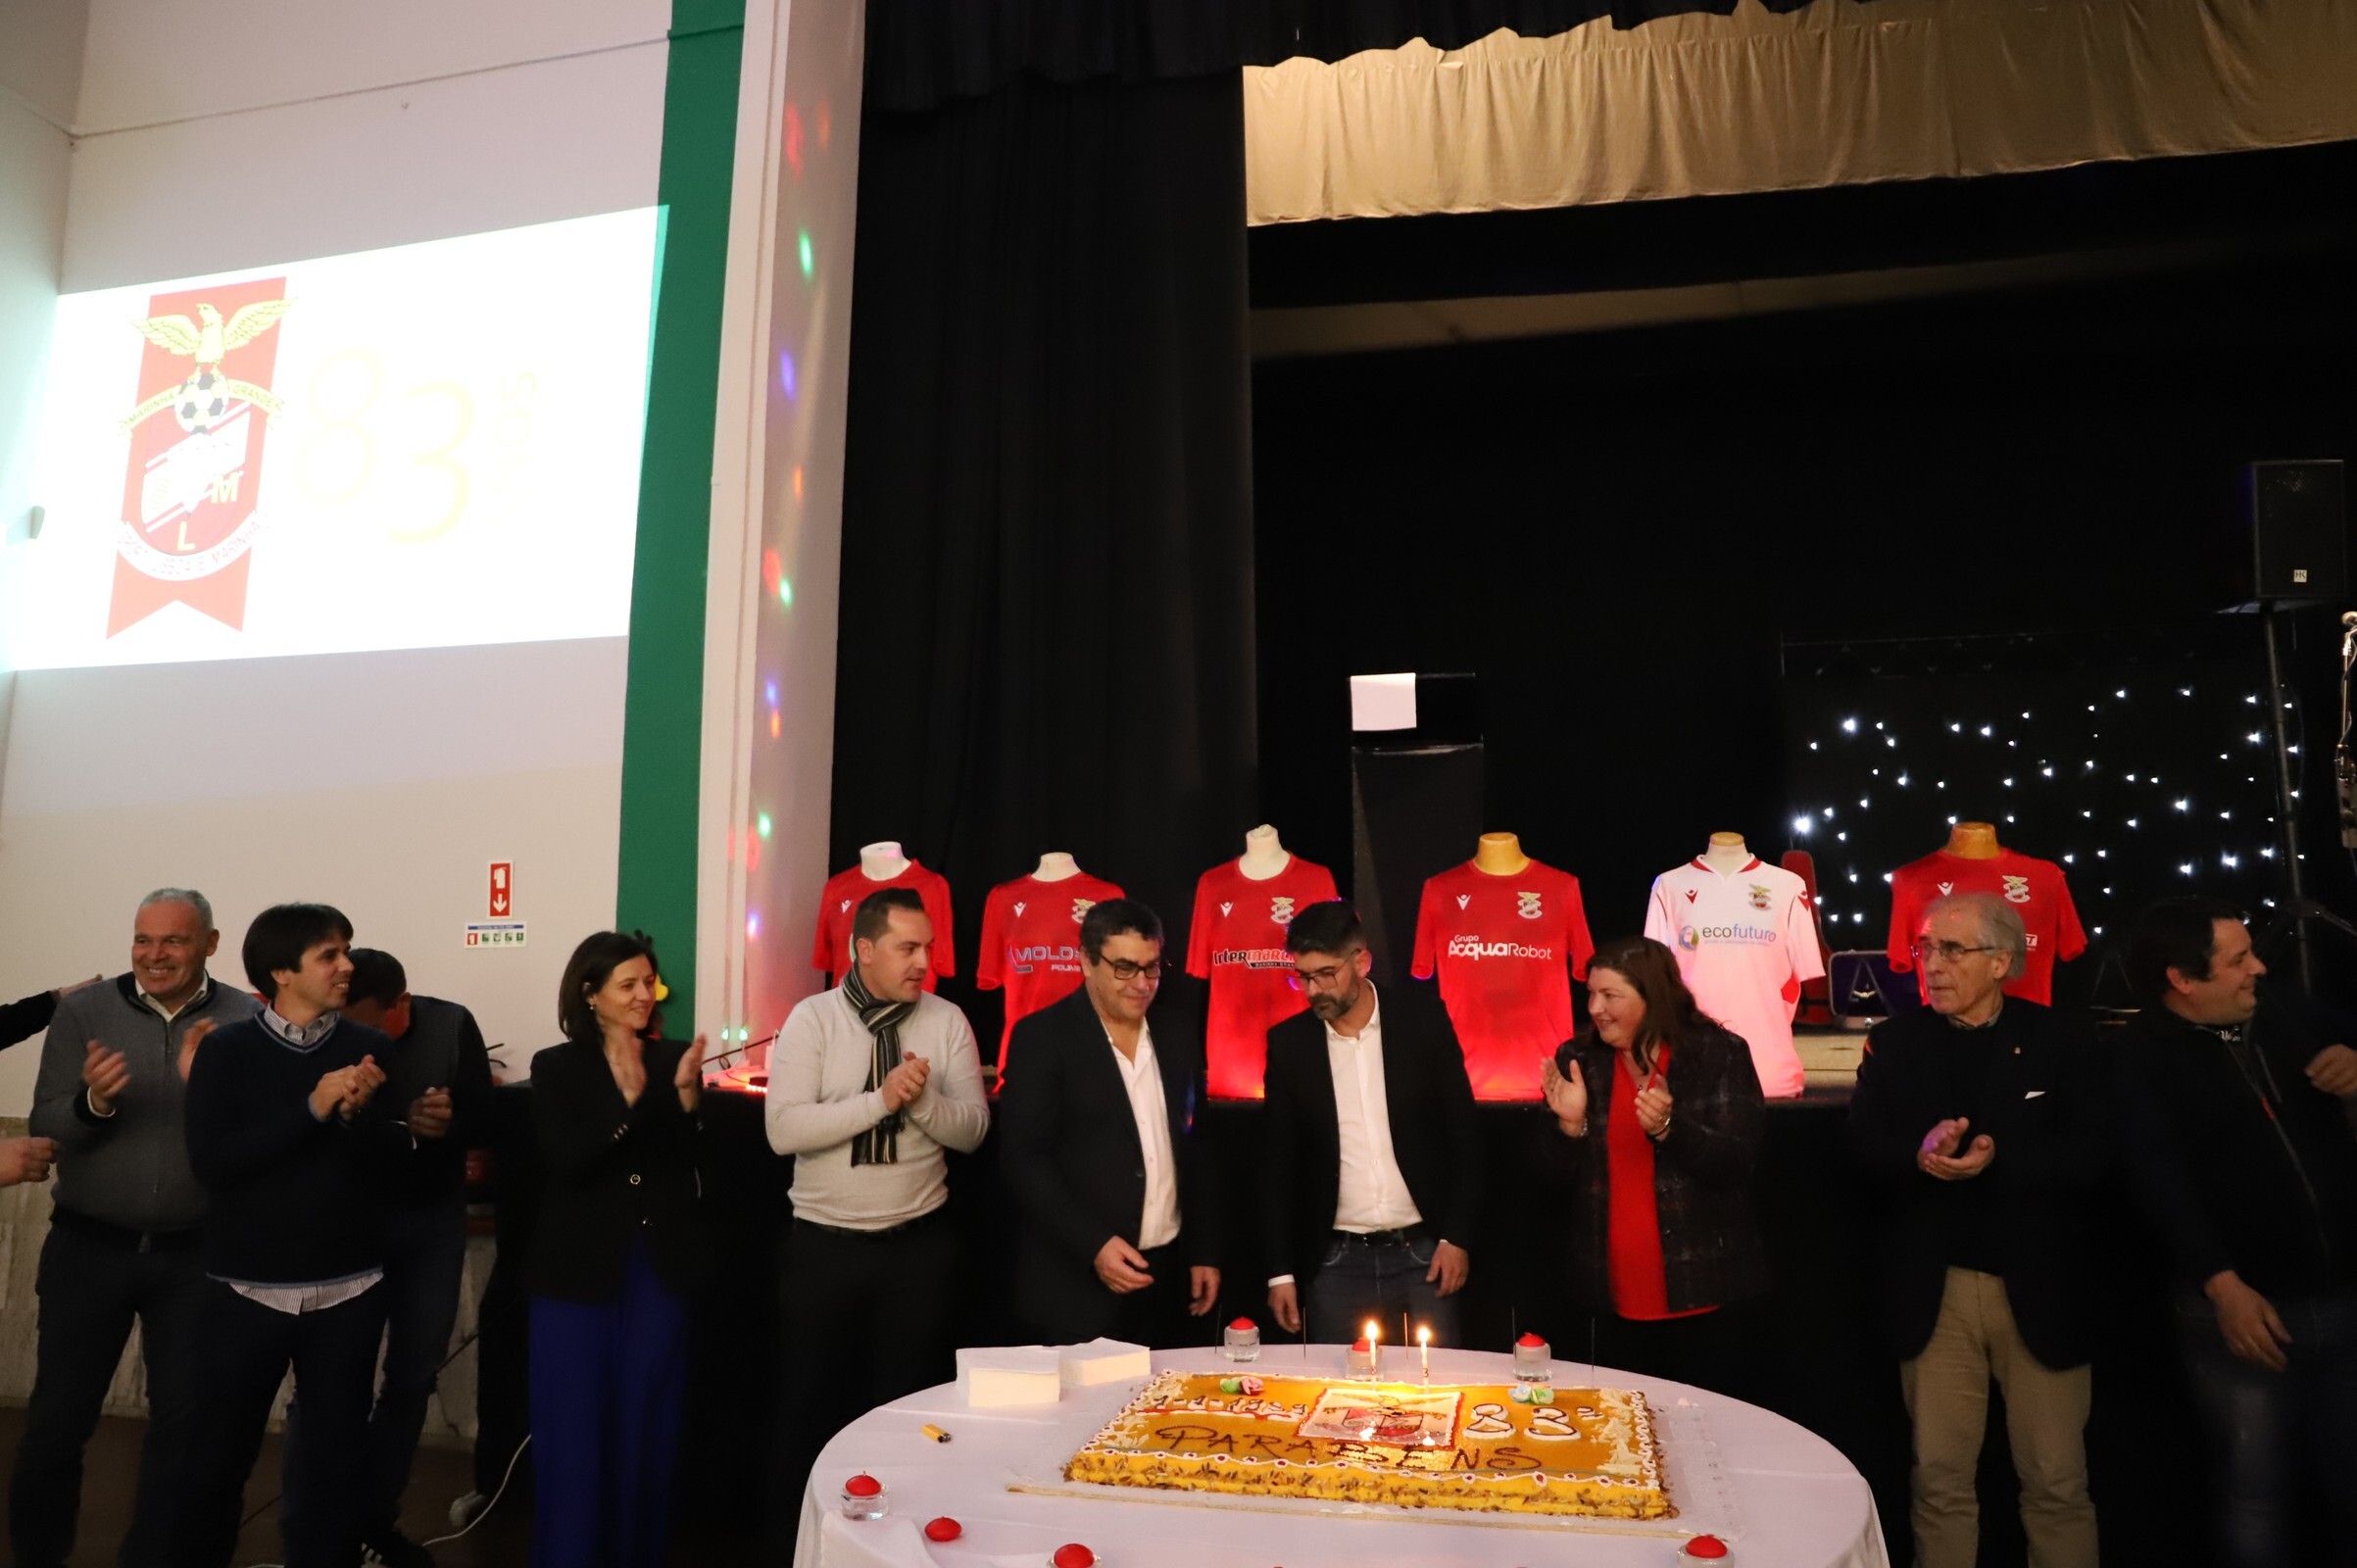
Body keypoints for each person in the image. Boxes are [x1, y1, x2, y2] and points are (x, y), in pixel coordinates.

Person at [177, 903, 448, 1568]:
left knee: (332, 1471)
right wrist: (315, 1107)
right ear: (280, 971)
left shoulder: (372, 1047)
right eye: (329, 954)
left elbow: (387, 1167)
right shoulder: (227, 1051)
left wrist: (366, 1120)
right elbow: (216, 1166)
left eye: (345, 950)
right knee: (216, 1466)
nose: (346, 965)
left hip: (347, 1291)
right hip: (247, 1291)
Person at [1846, 894, 2106, 1568]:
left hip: (2040, 1290)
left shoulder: (2061, 1039)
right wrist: (1917, 1156)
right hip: (1937, 1295)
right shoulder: (1895, 1041)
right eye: (1925, 949)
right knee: (1938, 1482)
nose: (1931, 965)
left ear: (2000, 961)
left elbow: (2098, 1155)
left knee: (2056, 1482)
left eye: (1951, 950)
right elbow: (1859, 1149)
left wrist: (1999, 1158)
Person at [12, 889, 257, 1568]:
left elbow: (255, 1137)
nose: (155, 955)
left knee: (184, 1428)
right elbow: (45, 1124)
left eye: (173, 940)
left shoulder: (245, 1018)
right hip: (89, 1248)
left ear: (209, 944)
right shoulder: (84, 1012)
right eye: (143, 939)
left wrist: (213, 1093)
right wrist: (93, 1103)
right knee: (57, 1424)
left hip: (197, 1258)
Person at [2115, 899, 2357, 1567]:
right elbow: (2156, 1181)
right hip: (2243, 1310)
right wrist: (2223, 1287)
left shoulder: (2281, 1010)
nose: (2259, 968)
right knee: (2255, 1494)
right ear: (2182, 981)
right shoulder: (2137, 1056)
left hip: (2341, 1295)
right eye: (2237, 960)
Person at [765, 888, 989, 1506]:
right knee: (808, 1410)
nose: (924, 962)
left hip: (917, 1253)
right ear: (864, 950)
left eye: (929, 948)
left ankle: (905, 1538)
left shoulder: (947, 1020)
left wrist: (922, 1102)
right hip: (823, 1252)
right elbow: (783, 1130)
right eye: (907, 948)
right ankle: (800, 1540)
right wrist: (881, 1101)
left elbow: (973, 1131)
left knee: (910, 1413)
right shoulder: (813, 1019)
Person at [278, 948, 495, 1568]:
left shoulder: (451, 1024)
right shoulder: (322, 1032)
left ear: (403, 1003)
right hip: (351, 1224)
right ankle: (309, 1532)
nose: (363, 1042)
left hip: (431, 1223)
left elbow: (486, 1118)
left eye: (375, 1025)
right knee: (325, 1382)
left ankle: (373, 1520)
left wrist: (448, 1121)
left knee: (413, 1377)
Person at [526, 931, 708, 1568]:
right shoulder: (556, 1065)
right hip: (577, 1274)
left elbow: (692, 1162)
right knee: (574, 1432)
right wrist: (625, 1103)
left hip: (656, 1269)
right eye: (627, 984)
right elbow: (567, 1160)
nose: (643, 995)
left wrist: (687, 1101)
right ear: (590, 994)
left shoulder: (672, 1058)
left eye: (648, 983)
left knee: (646, 1426)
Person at [1539, 934, 1767, 1395]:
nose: (1595, 1008)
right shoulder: (1579, 1060)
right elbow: (1546, 1181)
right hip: (1607, 1298)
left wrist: (1669, 1128)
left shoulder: (1718, 1054)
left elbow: (1737, 1161)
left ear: (1653, 997)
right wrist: (1570, 1126)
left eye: (1610, 995)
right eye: (1591, 994)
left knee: (1705, 1427)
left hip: (1702, 1292)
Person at [999, 898, 1221, 1346]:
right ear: (1086, 961)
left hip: (1165, 1279)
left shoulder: (1177, 1033)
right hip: (1075, 1287)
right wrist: (1095, 1245)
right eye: (1124, 968)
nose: (1141, 983)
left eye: (1151, 968)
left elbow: (1196, 1148)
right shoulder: (1042, 1037)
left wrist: (1204, 1250)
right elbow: (1024, 1161)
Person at [1263, 901, 1482, 1347]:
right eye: (1303, 977)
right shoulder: (1289, 1044)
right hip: (1335, 1261)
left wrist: (1456, 1237)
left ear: (1361, 962)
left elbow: (1466, 1137)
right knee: (1339, 1387)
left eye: (1326, 974)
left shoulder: (1422, 1022)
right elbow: (1277, 1165)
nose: (1313, 990)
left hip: (1425, 1254)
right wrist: (1279, 1272)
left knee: (1437, 1383)